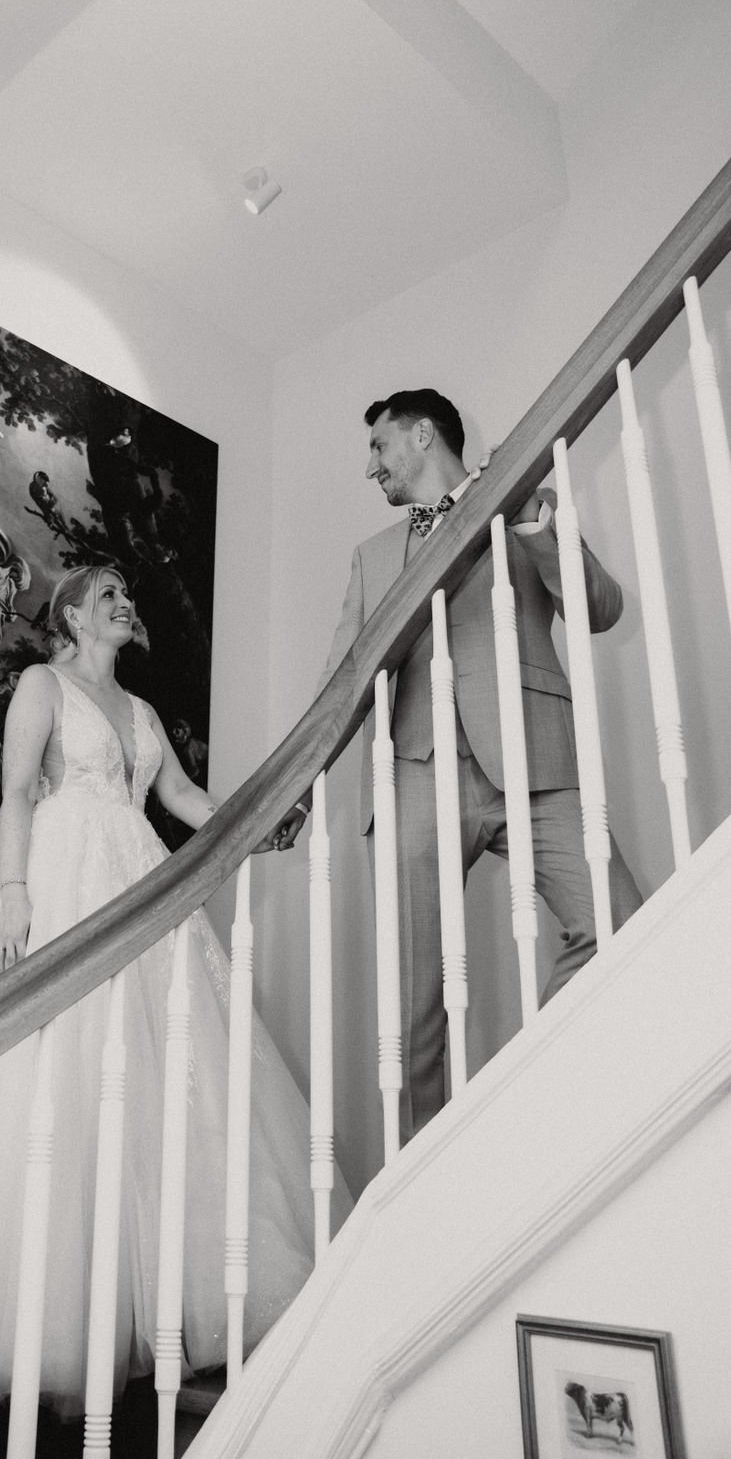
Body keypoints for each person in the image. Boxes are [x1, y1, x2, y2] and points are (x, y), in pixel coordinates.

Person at [0, 563, 342, 1456]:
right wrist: (11, 894)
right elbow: (14, 792)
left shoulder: (146, 714)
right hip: (60, 877)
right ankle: (28, 1320)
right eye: (109, 595)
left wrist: (259, 817)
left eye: (128, 596)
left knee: (163, 1075)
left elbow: (183, 801)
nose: (126, 605)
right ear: (72, 613)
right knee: (48, 1068)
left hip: (139, 887)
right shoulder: (42, 685)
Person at [267, 389, 642, 1140]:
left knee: (618, 923)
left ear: (422, 435)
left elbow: (600, 608)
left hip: (532, 756)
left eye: (378, 446)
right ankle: (426, 1182)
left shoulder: (521, 501)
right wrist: (296, 791)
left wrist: (534, 524)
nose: (369, 466)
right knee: (413, 1012)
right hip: (414, 775)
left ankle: (510, 1096)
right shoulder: (371, 556)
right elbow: (340, 680)